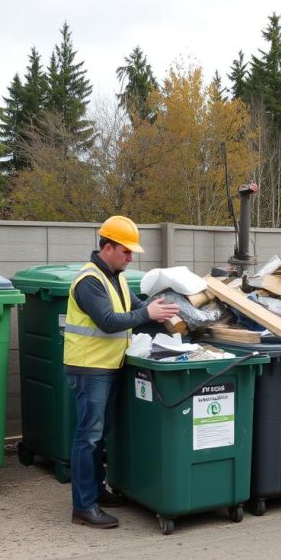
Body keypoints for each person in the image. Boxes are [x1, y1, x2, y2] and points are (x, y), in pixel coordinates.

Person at [63, 215, 179, 529]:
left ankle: (96, 492)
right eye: (126, 251)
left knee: (99, 436)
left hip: (110, 365)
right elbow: (109, 320)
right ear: (108, 247)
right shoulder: (89, 281)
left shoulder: (115, 275)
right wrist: (146, 312)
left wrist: (162, 310)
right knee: (88, 437)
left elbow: (135, 307)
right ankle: (83, 507)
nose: (130, 257)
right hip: (90, 368)